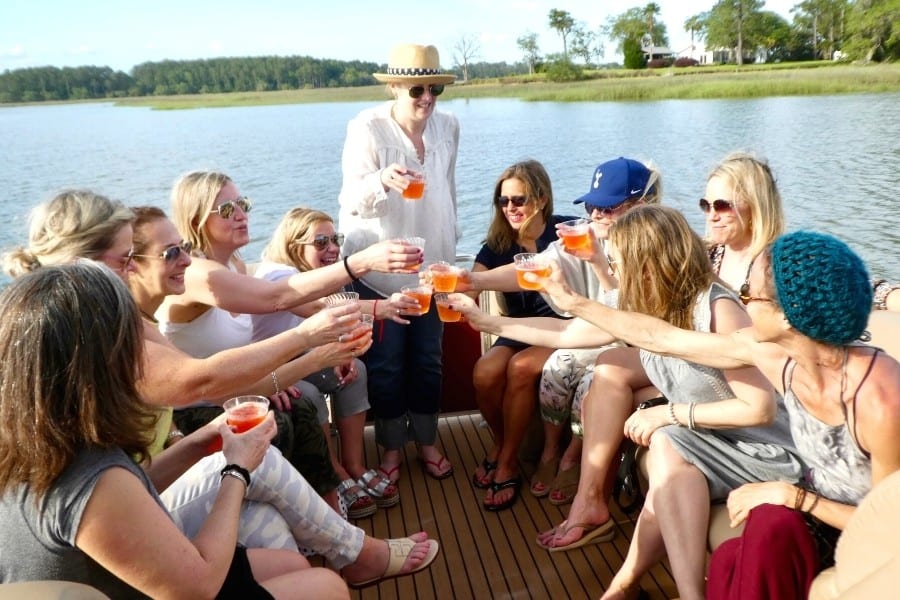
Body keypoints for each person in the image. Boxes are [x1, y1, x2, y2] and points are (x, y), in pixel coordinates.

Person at [3, 194, 441, 587]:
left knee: (280, 536)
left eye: (182, 249)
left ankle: (336, 554)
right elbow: (202, 378)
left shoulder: (101, 337)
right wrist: (237, 467)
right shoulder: (86, 453)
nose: (136, 269)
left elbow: (152, 449)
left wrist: (198, 440)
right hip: (128, 550)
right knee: (281, 479)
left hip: (152, 478)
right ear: (88, 267)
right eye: (127, 260)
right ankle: (354, 553)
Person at [449, 205, 805, 600]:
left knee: (669, 442)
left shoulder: (717, 309)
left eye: (617, 261)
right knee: (667, 453)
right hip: (716, 436)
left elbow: (759, 409)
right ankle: (647, 586)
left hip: (762, 447)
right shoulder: (647, 300)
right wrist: (492, 324)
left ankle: (641, 585)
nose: (611, 270)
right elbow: (570, 332)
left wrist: (671, 412)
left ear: (648, 265)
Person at [525, 228, 900, 599]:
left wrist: (796, 498)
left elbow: (885, 527)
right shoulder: (776, 355)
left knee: (766, 530)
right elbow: (662, 338)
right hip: (813, 502)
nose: (742, 303)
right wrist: (573, 302)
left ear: (789, 315)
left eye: (749, 294)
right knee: (731, 547)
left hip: (857, 534)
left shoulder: (878, 403)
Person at [0, 262, 348, 599]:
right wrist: (237, 470)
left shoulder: (41, 441)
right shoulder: (92, 483)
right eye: (132, 341)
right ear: (102, 362)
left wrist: (200, 442)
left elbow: (133, 485)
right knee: (327, 587)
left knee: (291, 562)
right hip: (177, 589)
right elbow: (198, 588)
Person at [159, 170, 419, 512]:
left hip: (234, 386)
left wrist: (382, 307)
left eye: (242, 204)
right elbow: (278, 298)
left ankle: (326, 506)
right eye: (226, 209)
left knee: (301, 404)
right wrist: (361, 262)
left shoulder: (235, 265)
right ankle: (307, 513)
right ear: (196, 220)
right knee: (284, 416)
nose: (241, 214)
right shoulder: (196, 274)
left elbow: (297, 306)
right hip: (194, 403)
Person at [338, 43, 459, 481]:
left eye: (433, 89)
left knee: (429, 359)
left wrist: (451, 243)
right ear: (393, 87)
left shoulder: (448, 128)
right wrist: (380, 182)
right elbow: (349, 201)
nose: (426, 98)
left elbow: (448, 191)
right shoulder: (367, 129)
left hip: (430, 270)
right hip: (380, 272)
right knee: (387, 364)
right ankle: (390, 451)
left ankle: (427, 441)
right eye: (416, 89)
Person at [253, 207, 420, 516]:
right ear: (294, 246)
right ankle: (334, 473)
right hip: (271, 369)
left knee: (357, 373)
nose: (331, 248)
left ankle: (354, 464)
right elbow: (316, 308)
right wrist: (382, 307)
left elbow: (324, 326)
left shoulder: (318, 277)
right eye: (320, 242)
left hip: (304, 356)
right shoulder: (281, 275)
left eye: (335, 239)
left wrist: (342, 355)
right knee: (311, 394)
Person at [467, 160, 572, 511]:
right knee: (484, 372)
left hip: (559, 327)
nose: (510, 208)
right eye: (503, 201)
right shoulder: (497, 243)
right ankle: (500, 443)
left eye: (519, 200)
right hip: (517, 328)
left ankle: (507, 461)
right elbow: (471, 284)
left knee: (521, 369)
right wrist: (444, 290)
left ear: (541, 199)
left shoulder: (562, 235)